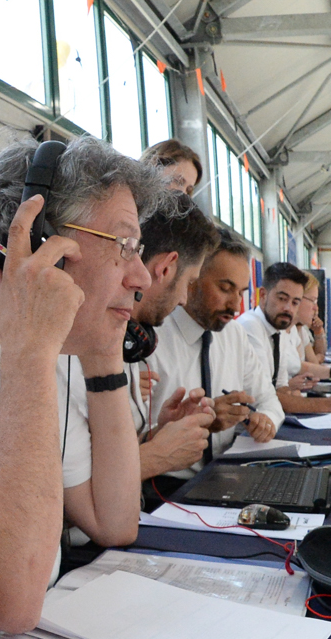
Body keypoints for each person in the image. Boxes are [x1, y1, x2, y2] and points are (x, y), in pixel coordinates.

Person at [0, 137, 162, 639]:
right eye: (124, 246)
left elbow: (114, 520)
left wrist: (103, 347)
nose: (143, 277)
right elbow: (10, 600)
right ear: (42, 247)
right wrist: (31, 358)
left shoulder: (41, 342)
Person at [140, 225, 283, 498]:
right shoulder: (151, 337)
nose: (236, 306)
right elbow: (130, 439)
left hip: (225, 474)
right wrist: (202, 423)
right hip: (165, 487)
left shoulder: (234, 334)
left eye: (241, 292)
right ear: (191, 278)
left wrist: (266, 421)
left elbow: (269, 400)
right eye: (225, 289)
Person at [123, 194, 222, 495]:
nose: (183, 299)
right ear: (166, 268)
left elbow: (106, 453)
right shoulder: (81, 346)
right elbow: (64, 487)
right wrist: (156, 456)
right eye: (189, 282)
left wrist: (159, 434)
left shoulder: (130, 341)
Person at [235, 263, 331, 415]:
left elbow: (281, 387)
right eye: (282, 299)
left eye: (295, 302)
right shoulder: (250, 326)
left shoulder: (279, 330)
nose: (288, 308)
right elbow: (263, 397)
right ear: (263, 295)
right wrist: (328, 404)